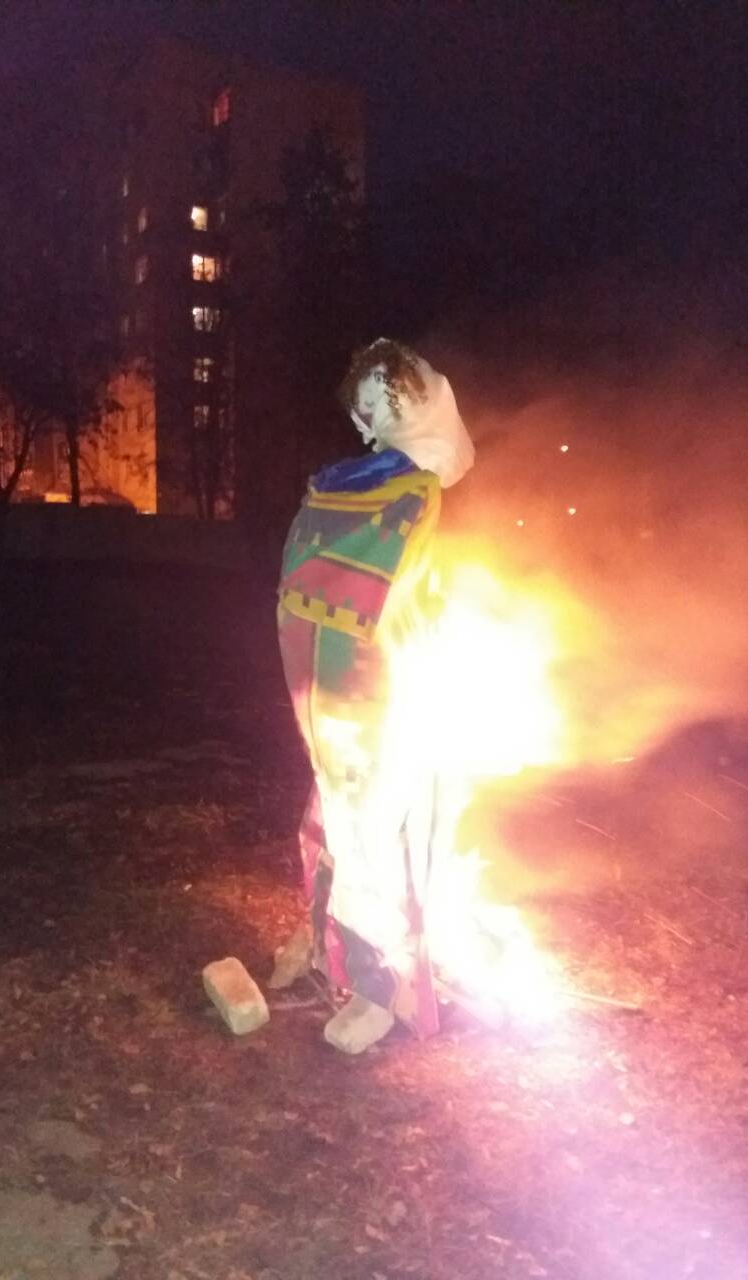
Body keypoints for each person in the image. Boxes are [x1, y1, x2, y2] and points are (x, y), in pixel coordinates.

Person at [271, 339, 476, 1053]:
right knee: (345, 819)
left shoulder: (403, 490)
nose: (367, 416)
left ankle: (371, 982)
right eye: (363, 403)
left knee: (366, 830)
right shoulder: (359, 484)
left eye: (382, 400)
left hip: (373, 686)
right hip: (341, 686)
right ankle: (337, 955)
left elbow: (387, 588)